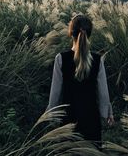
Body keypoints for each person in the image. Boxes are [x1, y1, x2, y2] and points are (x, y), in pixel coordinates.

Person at [46, 14, 114, 145]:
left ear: (71, 33)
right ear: (89, 34)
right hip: (91, 119)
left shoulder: (61, 58)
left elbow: (55, 93)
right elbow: (103, 93)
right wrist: (107, 114)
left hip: (68, 121)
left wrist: (51, 117)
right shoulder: (98, 60)